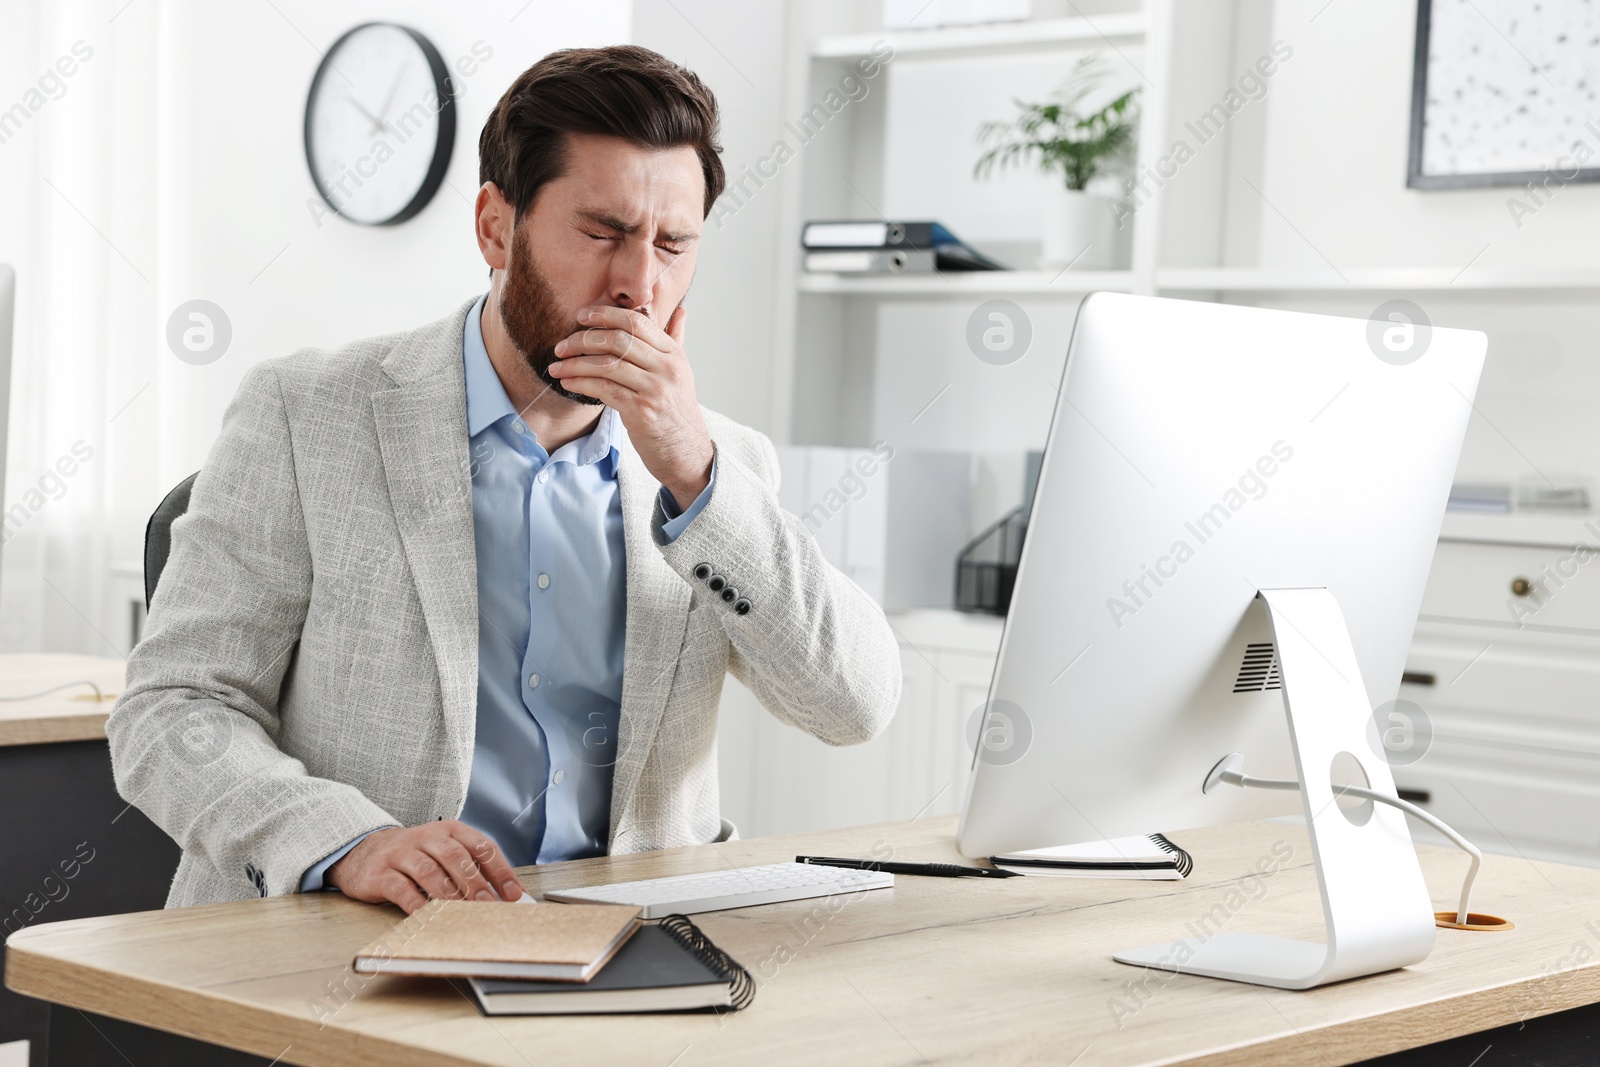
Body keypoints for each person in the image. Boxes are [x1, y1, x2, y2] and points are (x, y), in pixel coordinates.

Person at [108, 45, 901, 912]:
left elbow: (854, 706)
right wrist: (348, 843)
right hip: (342, 950)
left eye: (673, 243)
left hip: (630, 964)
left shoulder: (721, 469)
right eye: (602, 233)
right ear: (496, 226)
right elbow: (172, 709)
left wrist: (695, 475)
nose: (640, 284)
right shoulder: (306, 415)